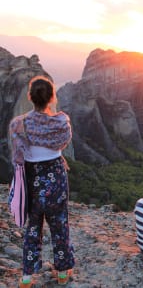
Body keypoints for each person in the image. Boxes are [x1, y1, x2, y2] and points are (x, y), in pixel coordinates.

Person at [9, 75, 75, 287]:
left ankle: (27, 277)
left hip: (33, 179)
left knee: (33, 228)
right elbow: (62, 144)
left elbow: (17, 153)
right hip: (56, 177)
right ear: (52, 97)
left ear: (30, 97)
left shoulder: (19, 124)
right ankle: (63, 272)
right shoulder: (61, 124)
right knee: (60, 226)